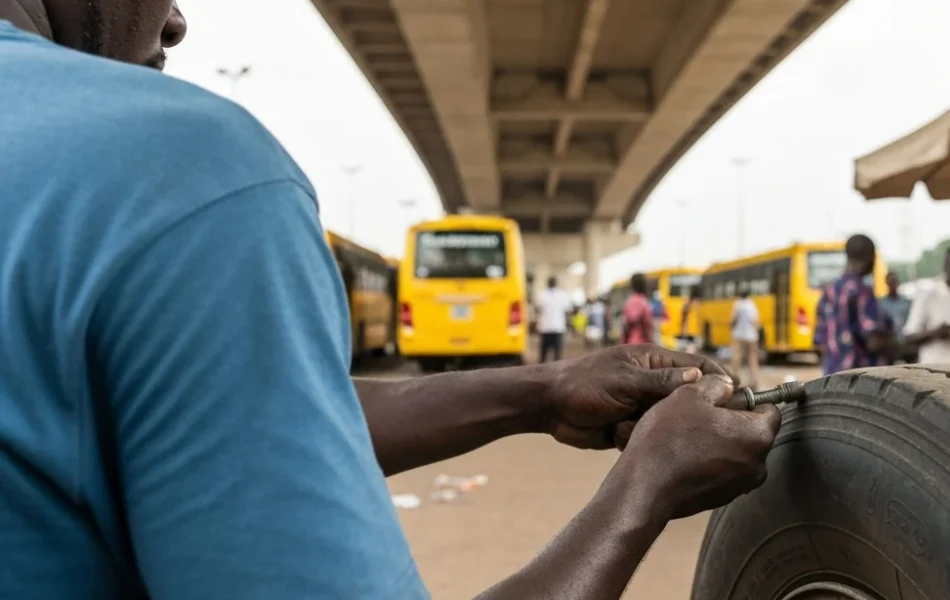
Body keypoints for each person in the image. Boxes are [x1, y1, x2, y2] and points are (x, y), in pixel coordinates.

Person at [0, 6, 783, 598]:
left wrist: (540, 391)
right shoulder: (175, 169)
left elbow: (241, 424)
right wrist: (647, 487)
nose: (174, 20)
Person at [814, 234, 894, 376]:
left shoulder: (829, 292)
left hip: (831, 377)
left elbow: (820, 341)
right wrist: (892, 343)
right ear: (870, 257)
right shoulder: (863, 292)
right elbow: (873, 342)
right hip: (859, 380)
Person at [902, 245, 950, 365]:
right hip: (935, 377)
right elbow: (909, 337)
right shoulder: (927, 297)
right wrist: (935, 333)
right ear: (945, 267)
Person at [535, 275, 572, 363]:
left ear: (548, 283)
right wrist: (568, 324)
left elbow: (538, 309)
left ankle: (542, 371)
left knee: (544, 353)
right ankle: (556, 372)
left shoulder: (541, 294)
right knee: (557, 353)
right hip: (557, 326)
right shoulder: (562, 294)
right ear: (556, 283)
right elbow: (567, 311)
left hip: (545, 326)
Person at [730, 290, 762, 390]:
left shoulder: (737, 304)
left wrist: (732, 327)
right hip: (751, 336)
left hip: (738, 335)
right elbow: (755, 320)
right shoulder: (751, 304)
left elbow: (733, 319)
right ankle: (754, 382)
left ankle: (735, 381)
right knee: (752, 359)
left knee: (737, 358)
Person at [879, 271, 913, 362]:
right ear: (887, 283)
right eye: (890, 282)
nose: (892, 285)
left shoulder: (907, 303)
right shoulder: (881, 304)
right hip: (889, 344)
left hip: (906, 342)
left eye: (894, 282)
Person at [622, 273, 655, 345]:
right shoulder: (643, 302)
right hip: (642, 345)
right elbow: (647, 326)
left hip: (630, 344)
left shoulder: (629, 301)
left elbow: (626, 326)